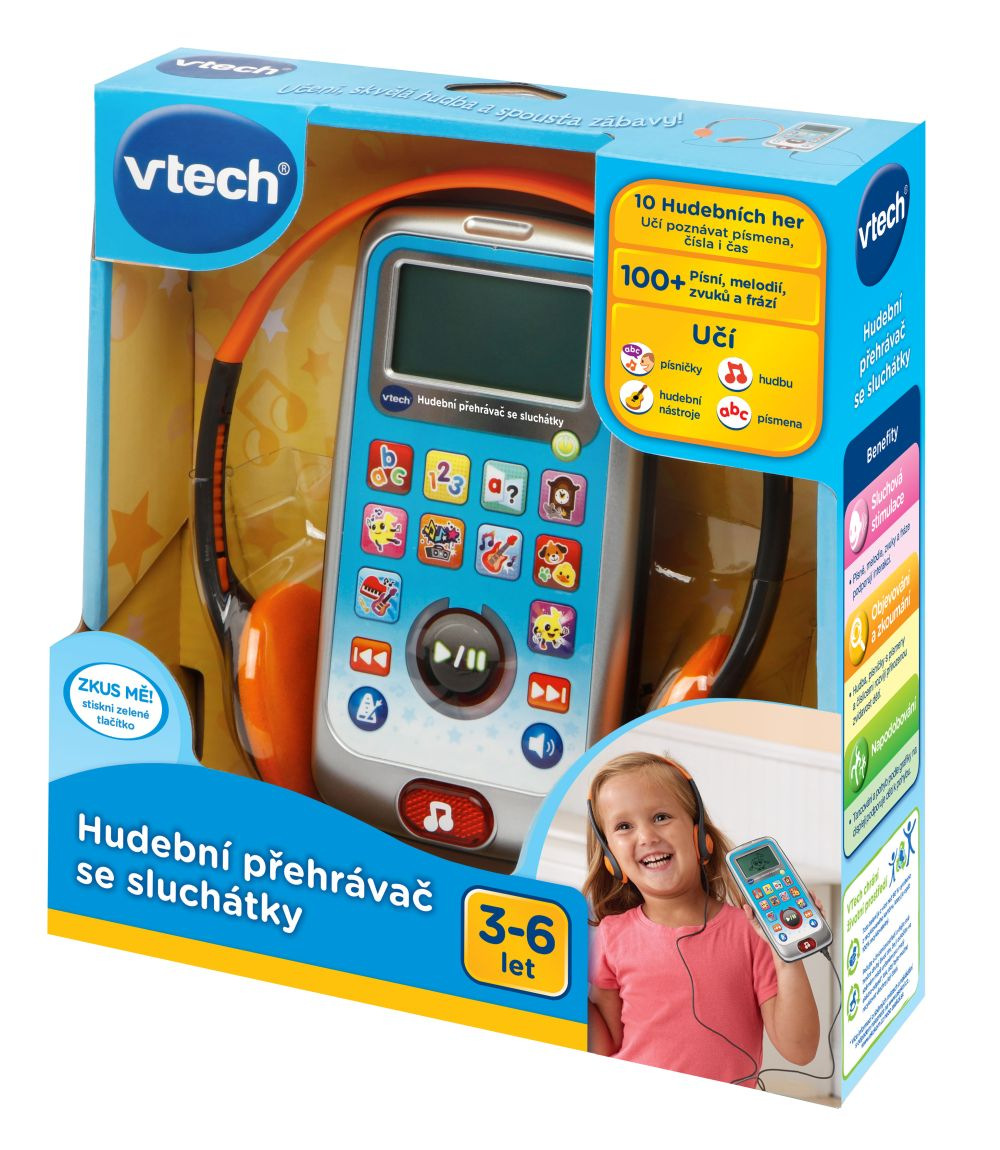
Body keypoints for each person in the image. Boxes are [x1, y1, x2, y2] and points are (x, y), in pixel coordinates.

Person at [585, 751, 820, 1085]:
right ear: (610, 856)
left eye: (661, 817)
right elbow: (605, 1045)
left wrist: (787, 955)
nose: (647, 836)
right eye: (624, 826)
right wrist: (565, 988)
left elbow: (800, 1050)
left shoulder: (751, 932)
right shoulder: (612, 935)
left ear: (700, 837)